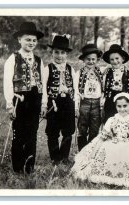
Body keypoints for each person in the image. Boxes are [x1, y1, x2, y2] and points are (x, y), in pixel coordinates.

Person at [3, 21, 45, 173]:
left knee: (32, 132)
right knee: (19, 133)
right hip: (19, 98)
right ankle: (18, 167)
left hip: (35, 97)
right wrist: (9, 104)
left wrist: (44, 102)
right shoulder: (13, 58)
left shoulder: (39, 60)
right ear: (19, 39)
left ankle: (29, 166)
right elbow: (7, 82)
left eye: (34, 40)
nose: (31, 43)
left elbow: (43, 83)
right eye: (28, 39)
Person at [41, 34, 78, 165]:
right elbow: (44, 88)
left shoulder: (70, 69)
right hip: (54, 102)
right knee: (53, 130)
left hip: (68, 102)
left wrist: (76, 105)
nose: (59, 56)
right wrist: (44, 104)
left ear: (66, 54)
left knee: (68, 130)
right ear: (52, 53)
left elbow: (75, 88)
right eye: (57, 52)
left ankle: (64, 156)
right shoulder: (47, 69)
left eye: (62, 53)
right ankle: (55, 157)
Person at [75, 44, 104, 151]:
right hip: (84, 102)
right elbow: (76, 91)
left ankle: (91, 151)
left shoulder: (101, 72)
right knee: (82, 128)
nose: (91, 61)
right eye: (88, 59)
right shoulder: (79, 73)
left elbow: (103, 89)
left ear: (97, 60)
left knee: (95, 128)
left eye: (93, 59)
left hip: (96, 103)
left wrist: (102, 101)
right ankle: (82, 151)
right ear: (83, 60)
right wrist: (76, 107)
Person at [101, 44, 129, 123]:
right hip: (110, 102)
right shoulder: (106, 72)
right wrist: (106, 67)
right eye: (112, 59)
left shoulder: (128, 73)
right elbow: (103, 87)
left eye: (117, 58)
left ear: (122, 58)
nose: (115, 61)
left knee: (123, 123)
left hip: (124, 102)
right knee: (109, 122)